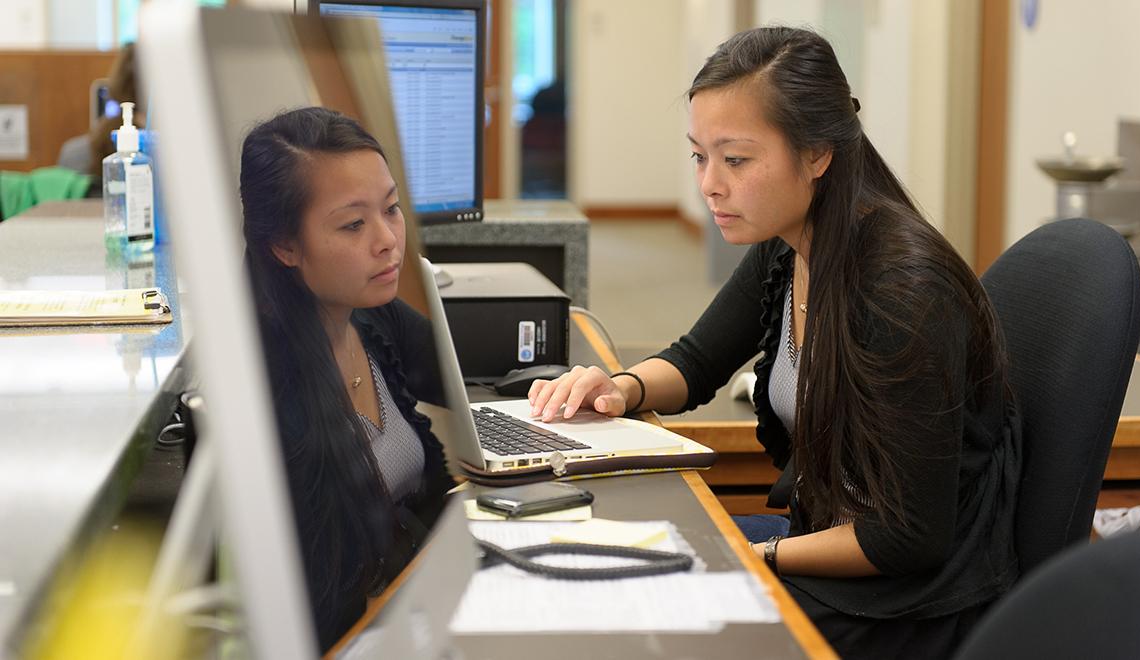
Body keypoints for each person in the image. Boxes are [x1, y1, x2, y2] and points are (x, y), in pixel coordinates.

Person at [528, 27, 1021, 658]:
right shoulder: (790, 243)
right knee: (610, 570)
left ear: (817, 154)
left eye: (735, 160)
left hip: (907, 597)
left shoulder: (902, 291)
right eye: (699, 157)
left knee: (648, 623)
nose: (710, 184)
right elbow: (698, 361)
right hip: (822, 539)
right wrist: (620, 388)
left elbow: (907, 537)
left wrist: (756, 556)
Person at [239, 107, 454, 650]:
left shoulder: (368, 313)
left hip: (426, 599)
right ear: (285, 247)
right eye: (353, 224)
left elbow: (464, 369)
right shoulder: (270, 390)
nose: (387, 241)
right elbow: (319, 617)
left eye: (392, 209)